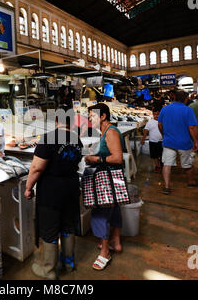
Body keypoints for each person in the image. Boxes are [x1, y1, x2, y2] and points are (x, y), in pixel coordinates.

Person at [24, 108, 83, 280]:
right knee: (68, 225)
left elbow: (36, 168)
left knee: (49, 228)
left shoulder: (49, 138)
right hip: (71, 188)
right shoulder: (76, 139)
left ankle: (49, 271)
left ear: (56, 120)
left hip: (52, 191)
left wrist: (28, 188)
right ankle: (69, 263)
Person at [84, 103, 124, 271]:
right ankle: (116, 242)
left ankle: (105, 252)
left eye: (92, 116)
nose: (89, 119)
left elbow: (117, 158)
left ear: (103, 117)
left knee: (99, 212)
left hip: (108, 176)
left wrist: (95, 159)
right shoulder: (106, 132)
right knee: (113, 209)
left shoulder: (111, 132)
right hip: (113, 176)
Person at [158, 90, 198, 195]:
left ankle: (166, 187)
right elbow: (192, 127)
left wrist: (164, 135)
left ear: (174, 97)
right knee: (187, 164)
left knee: (167, 164)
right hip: (184, 143)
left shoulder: (165, 108)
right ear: (186, 99)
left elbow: (160, 124)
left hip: (168, 142)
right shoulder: (188, 110)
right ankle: (191, 182)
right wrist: (196, 141)